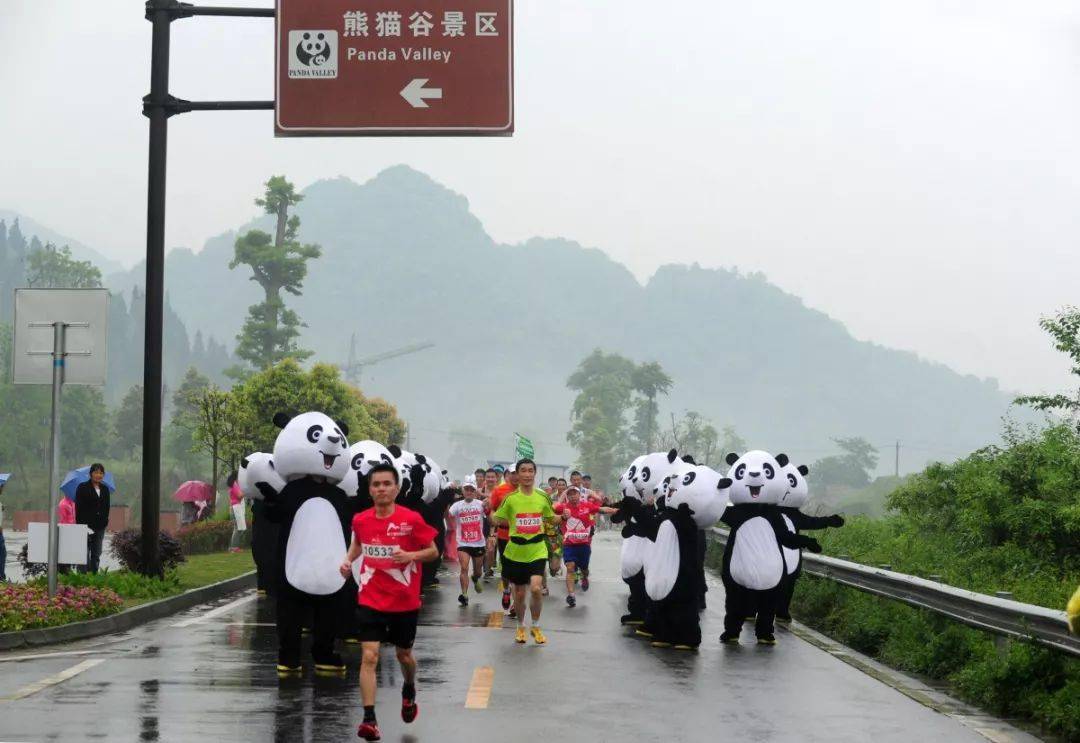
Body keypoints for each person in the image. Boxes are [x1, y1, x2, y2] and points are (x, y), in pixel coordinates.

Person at [340, 463, 439, 742]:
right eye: (376, 485)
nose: (381, 489)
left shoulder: (412, 519)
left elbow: (433, 551)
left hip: (403, 602)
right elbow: (358, 544)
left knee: (403, 656)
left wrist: (411, 556)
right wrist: (348, 560)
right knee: (369, 656)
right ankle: (369, 719)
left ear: (396, 488)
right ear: (370, 490)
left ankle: (409, 688)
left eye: (386, 484)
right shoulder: (361, 519)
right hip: (370, 598)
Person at [492, 459, 555, 644]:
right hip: (515, 551)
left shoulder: (542, 497)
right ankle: (520, 627)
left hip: (537, 549)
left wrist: (562, 517)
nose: (527, 474)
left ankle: (535, 626)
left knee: (536, 588)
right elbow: (497, 518)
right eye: (523, 471)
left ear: (535, 473)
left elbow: (551, 518)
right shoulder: (510, 499)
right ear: (517, 475)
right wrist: (490, 517)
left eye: (530, 471)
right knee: (519, 594)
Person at [554, 486, 617, 607]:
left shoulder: (586, 505)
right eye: (570, 494)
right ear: (567, 496)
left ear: (579, 495)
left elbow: (601, 509)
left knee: (584, 569)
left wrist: (614, 510)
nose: (572, 496)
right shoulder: (564, 507)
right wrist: (563, 495)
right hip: (569, 544)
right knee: (570, 567)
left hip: (584, 545)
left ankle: (584, 577)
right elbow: (553, 507)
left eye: (575, 494)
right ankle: (571, 595)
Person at [447, 481, 487, 606]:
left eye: (471, 490)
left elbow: (491, 515)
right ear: (463, 491)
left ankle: (475, 578)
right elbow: (448, 515)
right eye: (466, 489)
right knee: (464, 568)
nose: (469, 492)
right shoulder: (457, 505)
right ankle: (464, 594)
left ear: (475, 492)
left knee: (477, 571)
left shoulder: (481, 504)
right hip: (463, 542)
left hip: (479, 542)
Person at [489, 467, 518, 611]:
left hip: (522, 536)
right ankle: (506, 590)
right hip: (504, 535)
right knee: (507, 569)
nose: (516, 476)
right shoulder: (499, 490)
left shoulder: (529, 491)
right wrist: (494, 518)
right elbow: (492, 508)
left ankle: (516, 602)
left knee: (519, 569)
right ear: (508, 475)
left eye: (518, 473)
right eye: (513, 473)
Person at [75, 464, 110, 574]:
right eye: (96, 472)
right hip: (85, 526)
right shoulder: (82, 487)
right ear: (91, 474)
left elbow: (106, 507)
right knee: (83, 552)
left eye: (101, 473)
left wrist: (105, 521)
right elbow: (78, 508)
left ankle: (93, 575)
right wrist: (81, 525)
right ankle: (82, 576)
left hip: (100, 527)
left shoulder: (105, 489)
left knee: (96, 553)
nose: (98, 475)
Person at [227, 471, 244, 553]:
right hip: (236, 507)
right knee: (238, 528)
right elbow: (240, 495)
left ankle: (233, 547)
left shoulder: (232, 484)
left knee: (237, 528)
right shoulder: (235, 484)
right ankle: (234, 547)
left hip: (234, 507)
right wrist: (246, 491)